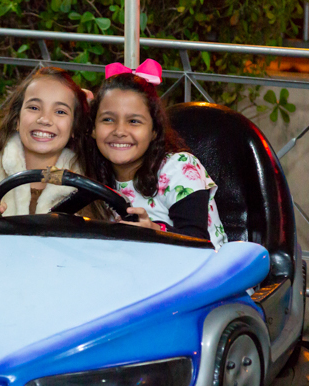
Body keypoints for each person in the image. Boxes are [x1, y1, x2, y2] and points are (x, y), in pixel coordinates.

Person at [85, 60, 228, 249]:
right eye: (108, 119)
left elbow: (197, 241)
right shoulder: (90, 170)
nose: (119, 131)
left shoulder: (179, 168)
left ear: (154, 131)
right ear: (93, 128)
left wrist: (154, 230)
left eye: (134, 121)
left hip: (204, 263)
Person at [0, 67, 93, 221]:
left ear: (74, 127)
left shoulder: (86, 181)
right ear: (17, 120)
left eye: (60, 111)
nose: (45, 119)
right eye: (34, 108)